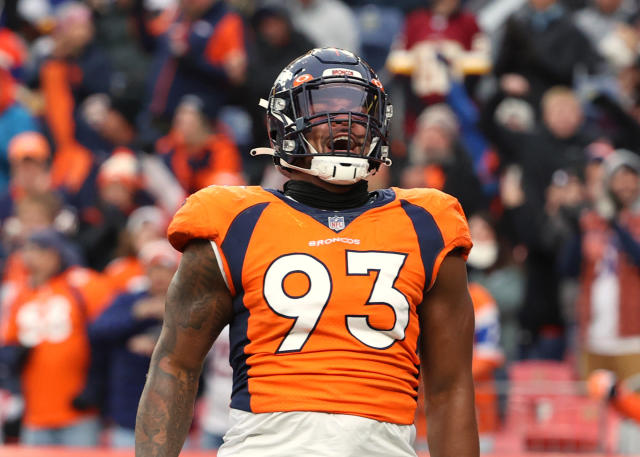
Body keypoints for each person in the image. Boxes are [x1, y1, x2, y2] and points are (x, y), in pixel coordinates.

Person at [135, 48, 479, 456]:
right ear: (284, 122)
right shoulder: (233, 220)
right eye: (326, 108)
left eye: (358, 110)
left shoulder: (428, 222)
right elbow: (175, 365)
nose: (347, 123)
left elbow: (450, 386)